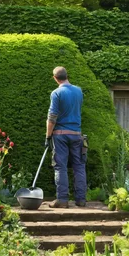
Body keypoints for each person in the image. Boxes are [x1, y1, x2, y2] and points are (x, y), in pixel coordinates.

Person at [45, 66, 87, 208]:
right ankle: (81, 199)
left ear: (55, 78)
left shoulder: (56, 93)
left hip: (61, 136)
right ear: (67, 75)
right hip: (77, 134)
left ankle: (62, 200)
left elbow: (52, 117)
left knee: (60, 166)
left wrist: (48, 136)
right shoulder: (79, 91)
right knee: (79, 166)